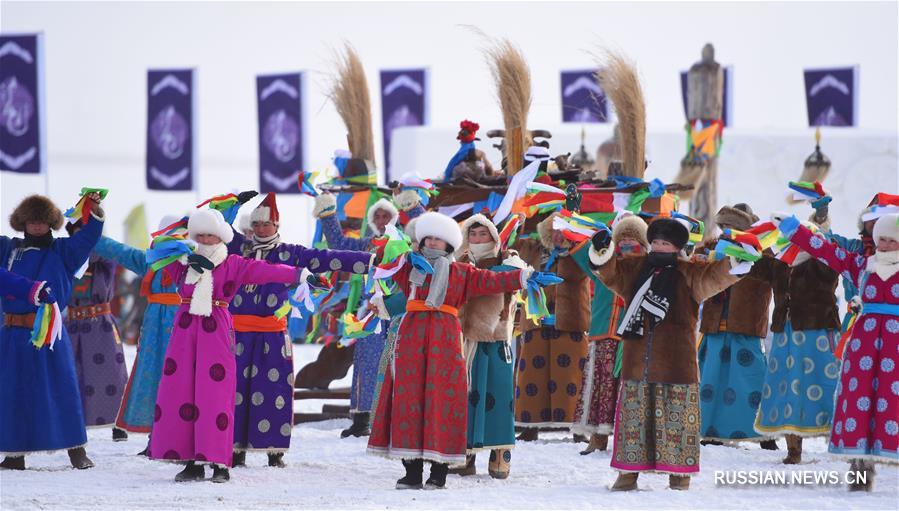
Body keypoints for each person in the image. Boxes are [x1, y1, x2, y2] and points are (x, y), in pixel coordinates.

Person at [367, 212, 547, 490]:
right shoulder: (408, 267)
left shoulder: (461, 272)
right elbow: (383, 267)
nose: (433, 242)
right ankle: (412, 470)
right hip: (412, 337)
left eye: (439, 238)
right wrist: (386, 255)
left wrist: (525, 278)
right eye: (429, 237)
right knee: (409, 399)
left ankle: (439, 470)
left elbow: (491, 280)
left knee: (443, 400)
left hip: (445, 340)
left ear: (449, 244)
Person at [147, 208, 306, 483]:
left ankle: (219, 462)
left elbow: (268, 271)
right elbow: (156, 246)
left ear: (221, 237)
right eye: (202, 234)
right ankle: (191, 461)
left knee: (216, 395)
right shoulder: (182, 261)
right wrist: (184, 232)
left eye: (212, 234)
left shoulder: (233, 263)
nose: (207, 240)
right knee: (183, 392)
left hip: (216, 329)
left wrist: (300, 275)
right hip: (185, 330)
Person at [588, 217, 743, 491]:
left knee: (677, 422)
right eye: (656, 242)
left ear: (678, 247)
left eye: (666, 243)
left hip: (676, 364)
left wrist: (737, 260)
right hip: (637, 363)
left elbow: (715, 278)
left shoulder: (690, 272)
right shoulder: (636, 268)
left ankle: (679, 475)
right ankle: (628, 474)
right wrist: (602, 252)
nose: (659, 247)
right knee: (635, 421)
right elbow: (610, 273)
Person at [228, 193, 373, 467]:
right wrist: (232, 205)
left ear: (277, 225)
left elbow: (328, 257)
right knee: (236, 391)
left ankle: (274, 450)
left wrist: (369, 262)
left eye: (266, 224)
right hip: (239, 335)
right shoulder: (239, 249)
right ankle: (236, 450)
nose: (260, 229)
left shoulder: (290, 253)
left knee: (273, 389)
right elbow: (216, 227)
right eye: (256, 224)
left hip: (272, 333)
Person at [776, 212, 899, 491]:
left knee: (893, 403)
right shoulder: (862, 265)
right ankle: (860, 469)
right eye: (882, 239)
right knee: (859, 401)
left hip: (895, 345)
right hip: (864, 343)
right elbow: (828, 251)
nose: (885, 245)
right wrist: (795, 230)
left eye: (892, 240)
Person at [1, 193, 104, 470]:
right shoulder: (8, 249)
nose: (36, 226)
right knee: (12, 392)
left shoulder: (63, 251)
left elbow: (88, 237)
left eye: (42, 221)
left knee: (61, 390)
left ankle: (76, 451)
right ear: (22, 222)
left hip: (49, 332)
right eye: (32, 220)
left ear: (51, 223)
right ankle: (13, 454)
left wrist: (93, 212)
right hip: (12, 333)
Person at [313, 190, 424, 438]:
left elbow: (425, 231)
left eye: (387, 215)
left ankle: (398, 418)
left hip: (399, 309)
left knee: (401, 364)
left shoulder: (407, 243)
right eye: (379, 216)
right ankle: (362, 419)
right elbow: (339, 246)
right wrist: (328, 212)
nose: (383, 219)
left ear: (395, 217)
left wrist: (413, 206)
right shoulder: (366, 244)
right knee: (366, 363)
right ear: (373, 221)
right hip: (371, 312)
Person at [753, 215, 840, 465]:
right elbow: (753, 266)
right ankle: (793, 449)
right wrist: (748, 244)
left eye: (800, 239)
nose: (795, 244)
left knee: (823, 386)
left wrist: (816, 235)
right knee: (787, 387)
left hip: (817, 334)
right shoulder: (780, 264)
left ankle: (839, 440)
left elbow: (833, 260)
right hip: (786, 334)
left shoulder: (822, 264)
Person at [92, 215, 182, 453]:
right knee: (153, 379)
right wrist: (90, 232)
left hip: (183, 326)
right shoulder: (150, 260)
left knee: (179, 381)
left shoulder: (190, 261)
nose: (172, 242)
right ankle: (157, 439)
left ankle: (178, 440)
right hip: (155, 328)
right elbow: (119, 251)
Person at [695, 204, 778, 450]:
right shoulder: (712, 247)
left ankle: (765, 434)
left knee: (752, 380)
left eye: (732, 227)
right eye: (724, 227)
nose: (726, 231)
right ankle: (710, 431)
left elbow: (774, 274)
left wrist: (752, 254)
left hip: (746, 326)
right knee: (712, 381)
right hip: (715, 324)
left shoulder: (762, 251)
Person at [453, 214, 528, 478]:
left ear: (493, 237)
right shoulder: (459, 260)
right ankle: (465, 453)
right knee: (467, 396)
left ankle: (501, 454)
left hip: (496, 337)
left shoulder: (507, 258)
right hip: (467, 338)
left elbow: (515, 277)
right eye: (472, 234)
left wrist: (506, 263)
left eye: (482, 234)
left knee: (499, 397)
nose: (476, 239)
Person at [571, 214, 648, 454]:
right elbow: (585, 255)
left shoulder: (648, 267)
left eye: (633, 242)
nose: (626, 246)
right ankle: (598, 437)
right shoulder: (605, 262)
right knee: (600, 386)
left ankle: (630, 439)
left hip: (635, 336)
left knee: (630, 388)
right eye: (622, 241)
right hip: (604, 332)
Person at [513, 212, 592, 441]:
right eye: (554, 231)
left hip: (571, 320)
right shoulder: (534, 250)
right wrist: (516, 223)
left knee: (572, 376)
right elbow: (511, 246)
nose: (558, 236)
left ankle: (577, 428)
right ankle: (529, 426)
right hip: (536, 320)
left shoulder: (580, 253)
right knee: (532, 376)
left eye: (563, 230)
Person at [64, 219, 129, 441]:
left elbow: (98, 252)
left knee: (112, 372)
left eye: (87, 233)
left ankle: (119, 423)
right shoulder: (65, 258)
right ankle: (74, 422)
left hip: (100, 323)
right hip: (72, 323)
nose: (82, 238)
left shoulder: (104, 257)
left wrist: (92, 237)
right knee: (73, 372)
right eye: (77, 233)